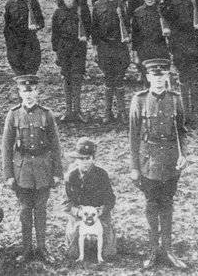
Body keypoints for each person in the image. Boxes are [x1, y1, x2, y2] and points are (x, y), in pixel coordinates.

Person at [129, 58, 188, 269]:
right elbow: (133, 135)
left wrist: (184, 155)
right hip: (148, 160)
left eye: (163, 75)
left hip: (171, 160)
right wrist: (135, 167)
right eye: (155, 76)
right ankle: (154, 251)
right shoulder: (140, 100)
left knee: (168, 204)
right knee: (151, 204)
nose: (159, 79)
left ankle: (168, 250)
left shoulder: (175, 99)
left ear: (167, 77)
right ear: (148, 77)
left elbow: (181, 131)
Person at [1, 74, 63, 264]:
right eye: (24, 91)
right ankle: (27, 249)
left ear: (37, 91)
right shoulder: (13, 114)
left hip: (43, 168)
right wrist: (9, 175)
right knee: (25, 210)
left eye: (32, 90)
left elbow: (55, 145)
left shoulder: (46, 114)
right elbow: (6, 146)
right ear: (19, 92)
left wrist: (58, 172)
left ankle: (42, 248)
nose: (28, 94)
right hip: (23, 170)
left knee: (41, 209)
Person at [61, 137, 118, 262]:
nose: (85, 162)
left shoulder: (102, 175)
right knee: (72, 254)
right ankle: (72, 233)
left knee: (109, 255)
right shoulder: (71, 176)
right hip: (79, 218)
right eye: (81, 159)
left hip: (99, 217)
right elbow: (66, 203)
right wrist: (78, 212)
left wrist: (101, 210)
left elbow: (110, 199)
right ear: (76, 160)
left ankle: (111, 233)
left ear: (93, 159)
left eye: (88, 158)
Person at [52, 0, 90, 123]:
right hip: (64, 48)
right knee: (66, 77)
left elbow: (89, 26)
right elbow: (54, 34)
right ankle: (68, 111)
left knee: (77, 77)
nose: (69, 0)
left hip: (78, 48)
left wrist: (85, 35)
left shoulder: (82, 11)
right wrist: (56, 52)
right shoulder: (58, 13)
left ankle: (77, 110)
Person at [3, 0, 44, 76]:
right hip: (16, 43)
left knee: (31, 69)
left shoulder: (33, 2)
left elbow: (41, 22)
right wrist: (10, 43)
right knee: (18, 70)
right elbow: (7, 27)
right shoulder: (10, 4)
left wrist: (36, 26)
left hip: (30, 42)